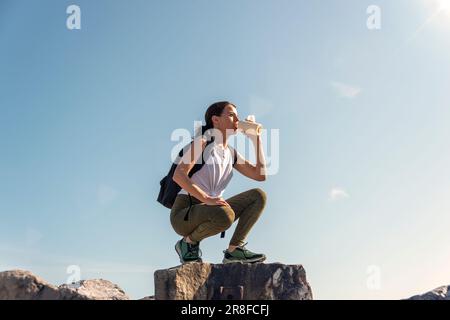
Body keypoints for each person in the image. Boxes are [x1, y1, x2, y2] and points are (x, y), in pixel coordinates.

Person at [170, 101, 267, 264]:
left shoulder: (230, 153)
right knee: (225, 214)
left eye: (237, 116)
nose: (237, 119)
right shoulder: (202, 142)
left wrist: (256, 139)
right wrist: (206, 198)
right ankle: (187, 243)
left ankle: (234, 250)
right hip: (185, 213)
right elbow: (178, 175)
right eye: (231, 115)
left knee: (258, 196)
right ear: (215, 119)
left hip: (214, 208)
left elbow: (260, 175)